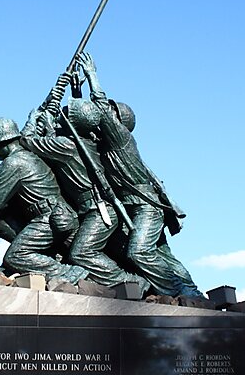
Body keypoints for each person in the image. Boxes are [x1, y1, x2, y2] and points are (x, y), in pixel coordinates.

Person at [75, 51, 203, 298]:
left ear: (118, 122)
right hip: (135, 207)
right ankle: (191, 289)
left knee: (139, 251)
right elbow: (85, 123)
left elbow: (100, 110)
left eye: (112, 116)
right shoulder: (105, 143)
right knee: (162, 253)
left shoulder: (121, 139)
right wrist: (77, 92)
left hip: (146, 207)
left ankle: (178, 292)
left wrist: (92, 77)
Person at [20, 100, 149, 290]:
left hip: (100, 211)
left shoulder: (66, 146)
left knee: (81, 253)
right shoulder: (88, 144)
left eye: (63, 116)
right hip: (93, 210)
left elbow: (27, 141)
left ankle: (132, 282)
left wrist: (32, 120)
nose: (58, 120)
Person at [0, 117, 88, 284]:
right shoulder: (29, 156)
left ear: (3, 142)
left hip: (49, 218)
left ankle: (68, 272)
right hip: (61, 215)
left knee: (16, 256)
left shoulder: (13, 162)